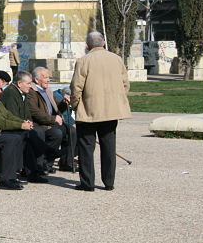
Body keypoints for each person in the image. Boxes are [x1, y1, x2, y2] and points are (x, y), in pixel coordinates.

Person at [70, 31, 132, 191]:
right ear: (103, 42)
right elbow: (125, 84)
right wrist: (117, 100)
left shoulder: (83, 61)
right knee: (109, 147)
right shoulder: (116, 59)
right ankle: (109, 182)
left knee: (86, 147)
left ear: (87, 45)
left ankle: (87, 183)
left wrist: (75, 105)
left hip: (88, 110)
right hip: (111, 110)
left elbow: (76, 87)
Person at [0, 75, 63, 183]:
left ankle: (33, 172)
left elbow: (8, 115)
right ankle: (46, 154)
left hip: (5, 129)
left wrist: (23, 122)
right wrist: (21, 125)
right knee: (29, 134)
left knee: (30, 135)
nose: (1, 91)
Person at [27, 66, 71, 174]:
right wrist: (53, 119)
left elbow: (57, 106)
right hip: (40, 124)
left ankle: (66, 162)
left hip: (50, 121)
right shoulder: (32, 91)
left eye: (48, 77)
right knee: (56, 133)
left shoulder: (47, 90)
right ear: (37, 80)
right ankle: (45, 163)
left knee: (72, 131)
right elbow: (35, 112)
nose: (48, 80)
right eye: (45, 77)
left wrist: (64, 103)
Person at [53, 86, 78, 173]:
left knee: (75, 132)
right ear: (67, 96)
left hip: (62, 123)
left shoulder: (62, 95)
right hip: (55, 123)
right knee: (74, 132)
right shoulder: (59, 97)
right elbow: (65, 115)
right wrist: (73, 124)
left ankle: (66, 161)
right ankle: (67, 162)